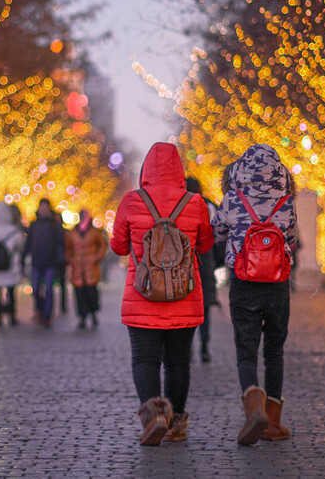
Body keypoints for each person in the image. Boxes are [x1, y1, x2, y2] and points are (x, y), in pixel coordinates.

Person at [111, 142, 212, 446]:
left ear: (146, 171)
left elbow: (117, 246)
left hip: (142, 296)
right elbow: (206, 245)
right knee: (179, 362)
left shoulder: (131, 201)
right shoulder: (194, 202)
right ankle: (177, 423)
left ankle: (154, 416)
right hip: (184, 296)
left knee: (145, 359)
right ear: (180, 170)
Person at [213, 144, 299, 445]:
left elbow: (217, 233)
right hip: (277, 282)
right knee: (274, 352)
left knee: (246, 351)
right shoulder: (285, 201)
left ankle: (253, 412)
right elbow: (292, 238)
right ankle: (273, 422)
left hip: (244, 280)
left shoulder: (232, 199)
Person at [186, 176, 223, 363]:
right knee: (204, 308)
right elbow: (218, 237)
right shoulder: (209, 206)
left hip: (185, 262)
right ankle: (205, 347)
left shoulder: (180, 206)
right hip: (206, 261)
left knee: (186, 308)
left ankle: (188, 348)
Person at [24, 198, 66, 327]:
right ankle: (40, 310)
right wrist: (24, 257)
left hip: (50, 262)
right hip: (37, 262)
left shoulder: (55, 225)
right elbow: (29, 243)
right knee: (35, 289)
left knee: (49, 290)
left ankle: (47, 316)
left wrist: (59, 258)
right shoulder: (34, 224)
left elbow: (60, 243)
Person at [66, 209, 107, 329]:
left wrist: (96, 257)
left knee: (91, 292)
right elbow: (68, 248)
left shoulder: (95, 232)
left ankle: (93, 314)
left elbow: (102, 245)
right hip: (78, 268)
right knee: (79, 294)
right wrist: (71, 259)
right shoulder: (72, 233)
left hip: (91, 268)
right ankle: (82, 317)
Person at [0, 202, 26, 326]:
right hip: (12, 265)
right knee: (11, 291)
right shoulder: (14, 231)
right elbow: (20, 245)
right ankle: (12, 316)